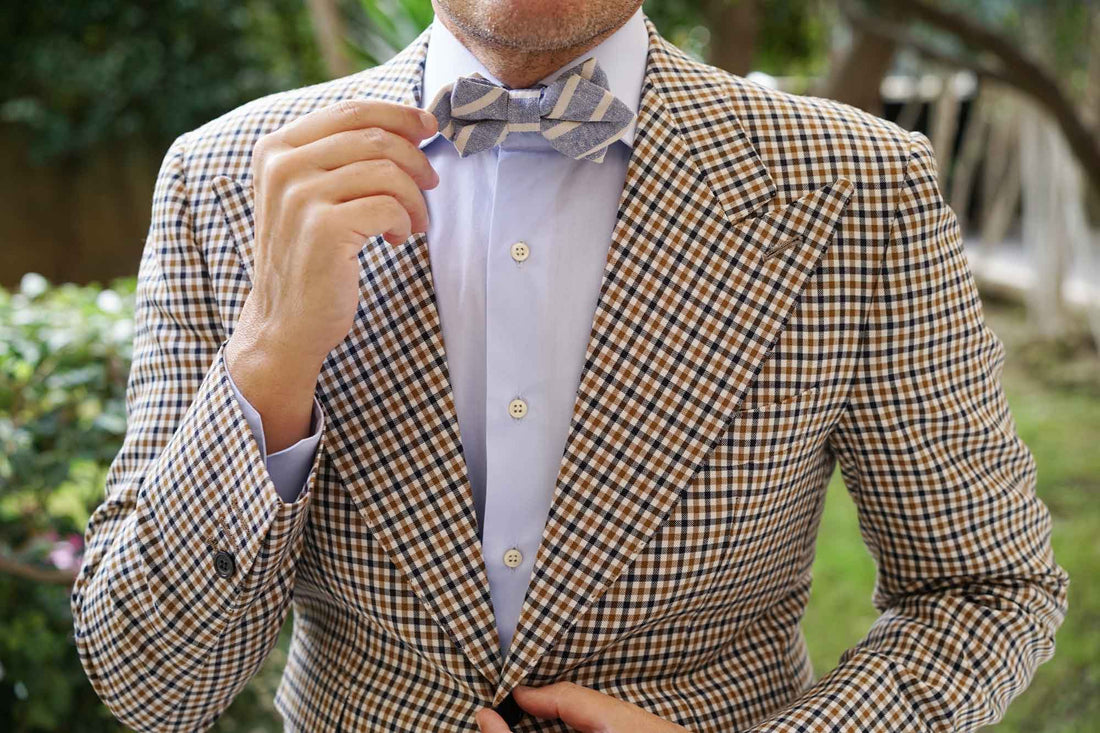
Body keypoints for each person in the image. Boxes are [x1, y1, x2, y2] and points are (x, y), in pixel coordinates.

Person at [71, 0, 1069, 731]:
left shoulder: (858, 188)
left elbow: (984, 591)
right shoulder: (220, 178)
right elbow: (152, 683)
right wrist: (267, 356)